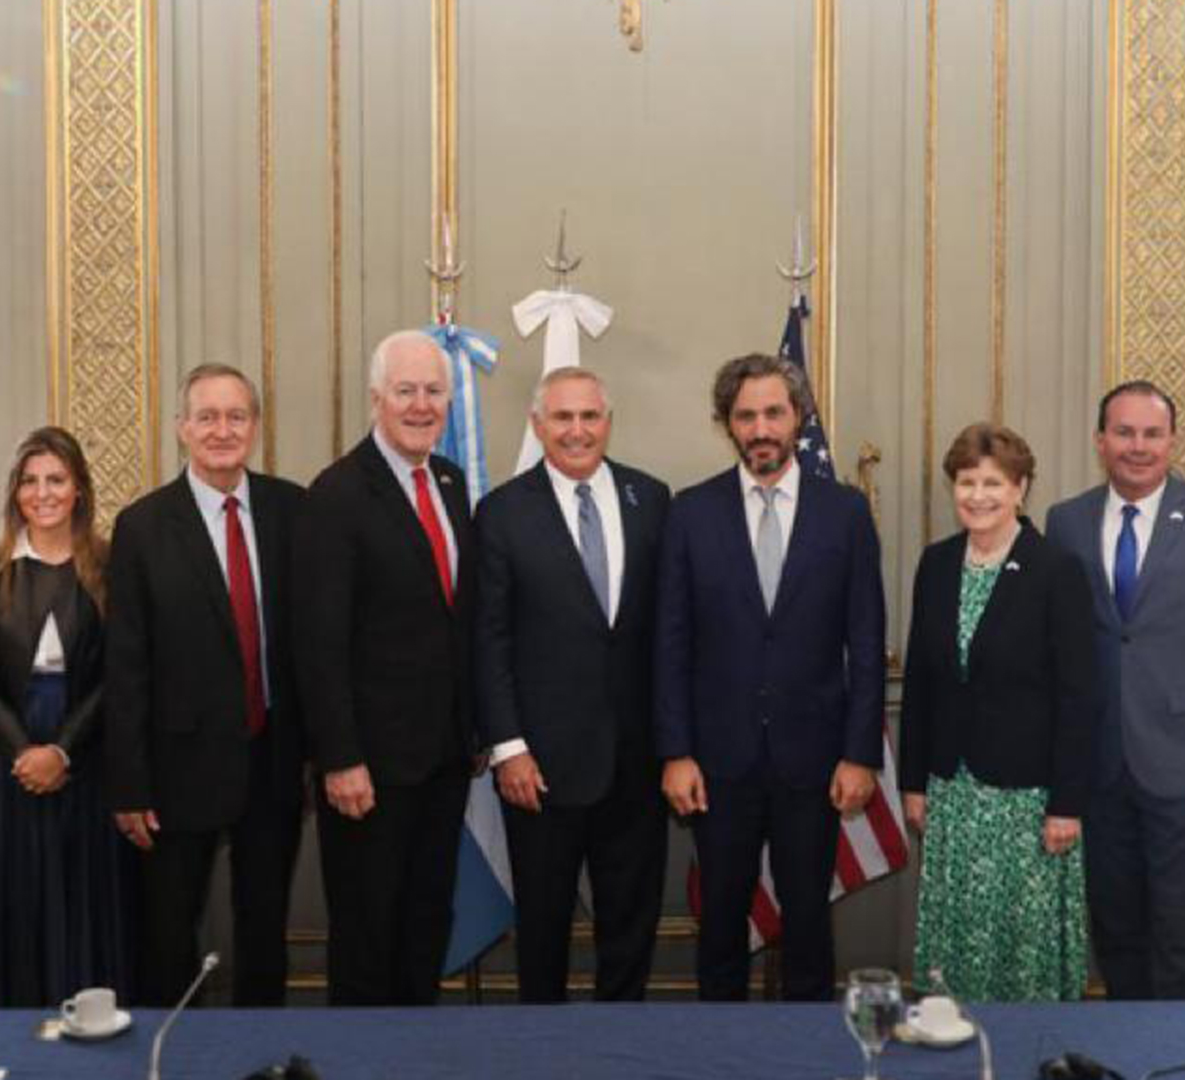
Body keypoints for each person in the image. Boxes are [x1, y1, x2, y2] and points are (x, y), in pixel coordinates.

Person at [655, 352, 886, 1002]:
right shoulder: (690, 513)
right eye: (746, 415)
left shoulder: (844, 513)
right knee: (722, 923)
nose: (761, 428)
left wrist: (860, 753)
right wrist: (675, 752)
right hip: (716, 763)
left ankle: (809, 1059)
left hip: (813, 763)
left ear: (798, 418)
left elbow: (866, 642)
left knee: (809, 924)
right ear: (727, 424)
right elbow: (670, 644)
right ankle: (722, 1059)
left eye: (774, 413)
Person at [1044, 381, 1185, 1000]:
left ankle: (1175, 1058)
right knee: (1114, 927)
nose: (1137, 447)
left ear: (1172, 441)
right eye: (1124, 433)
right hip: (1099, 761)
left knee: (1178, 929)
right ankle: (1126, 1050)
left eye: (1151, 434)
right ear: (1100, 441)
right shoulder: (1065, 521)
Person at [105, 364, 307, 1007]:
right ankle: (174, 1060)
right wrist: (129, 783)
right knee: (167, 935)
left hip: (274, 759)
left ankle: (263, 1057)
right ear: (182, 429)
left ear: (255, 426)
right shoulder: (142, 527)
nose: (223, 430)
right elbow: (126, 665)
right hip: (175, 769)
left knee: (265, 931)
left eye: (236, 416)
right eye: (208, 417)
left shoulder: (292, 510)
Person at [472, 366, 670, 1002]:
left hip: (637, 763)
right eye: (562, 417)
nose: (577, 431)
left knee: (630, 930)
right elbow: (489, 639)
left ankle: (622, 1054)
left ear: (608, 423)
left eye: (589, 416)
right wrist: (509, 747)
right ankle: (544, 1056)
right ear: (538, 425)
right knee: (543, 932)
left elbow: (671, 634)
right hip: (542, 769)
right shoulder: (502, 512)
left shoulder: (653, 499)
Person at [298, 329, 475, 1006]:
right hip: (367, 769)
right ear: (376, 399)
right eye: (406, 391)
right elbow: (319, 643)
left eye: (434, 391)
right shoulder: (338, 494)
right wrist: (340, 758)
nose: (421, 405)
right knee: (368, 936)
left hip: (442, 761)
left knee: (426, 926)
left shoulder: (451, 483)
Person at [900, 422, 1096, 1001]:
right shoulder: (936, 564)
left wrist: (1067, 803)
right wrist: (913, 781)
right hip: (952, 796)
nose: (978, 495)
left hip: (1029, 802)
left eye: (993, 482)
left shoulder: (1056, 569)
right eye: (966, 482)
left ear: (1021, 488)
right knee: (957, 940)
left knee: (1019, 944)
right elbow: (921, 684)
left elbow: (1079, 696)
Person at [0, 426, 135, 1006]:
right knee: (13, 894)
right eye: (29, 481)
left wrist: (60, 751)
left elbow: (119, 673)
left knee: (78, 895)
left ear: (79, 488)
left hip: (83, 753)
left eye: (56, 479)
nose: (43, 493)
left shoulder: (109, 566)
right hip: (6, 756)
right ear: (15, 492)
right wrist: (24, 751)